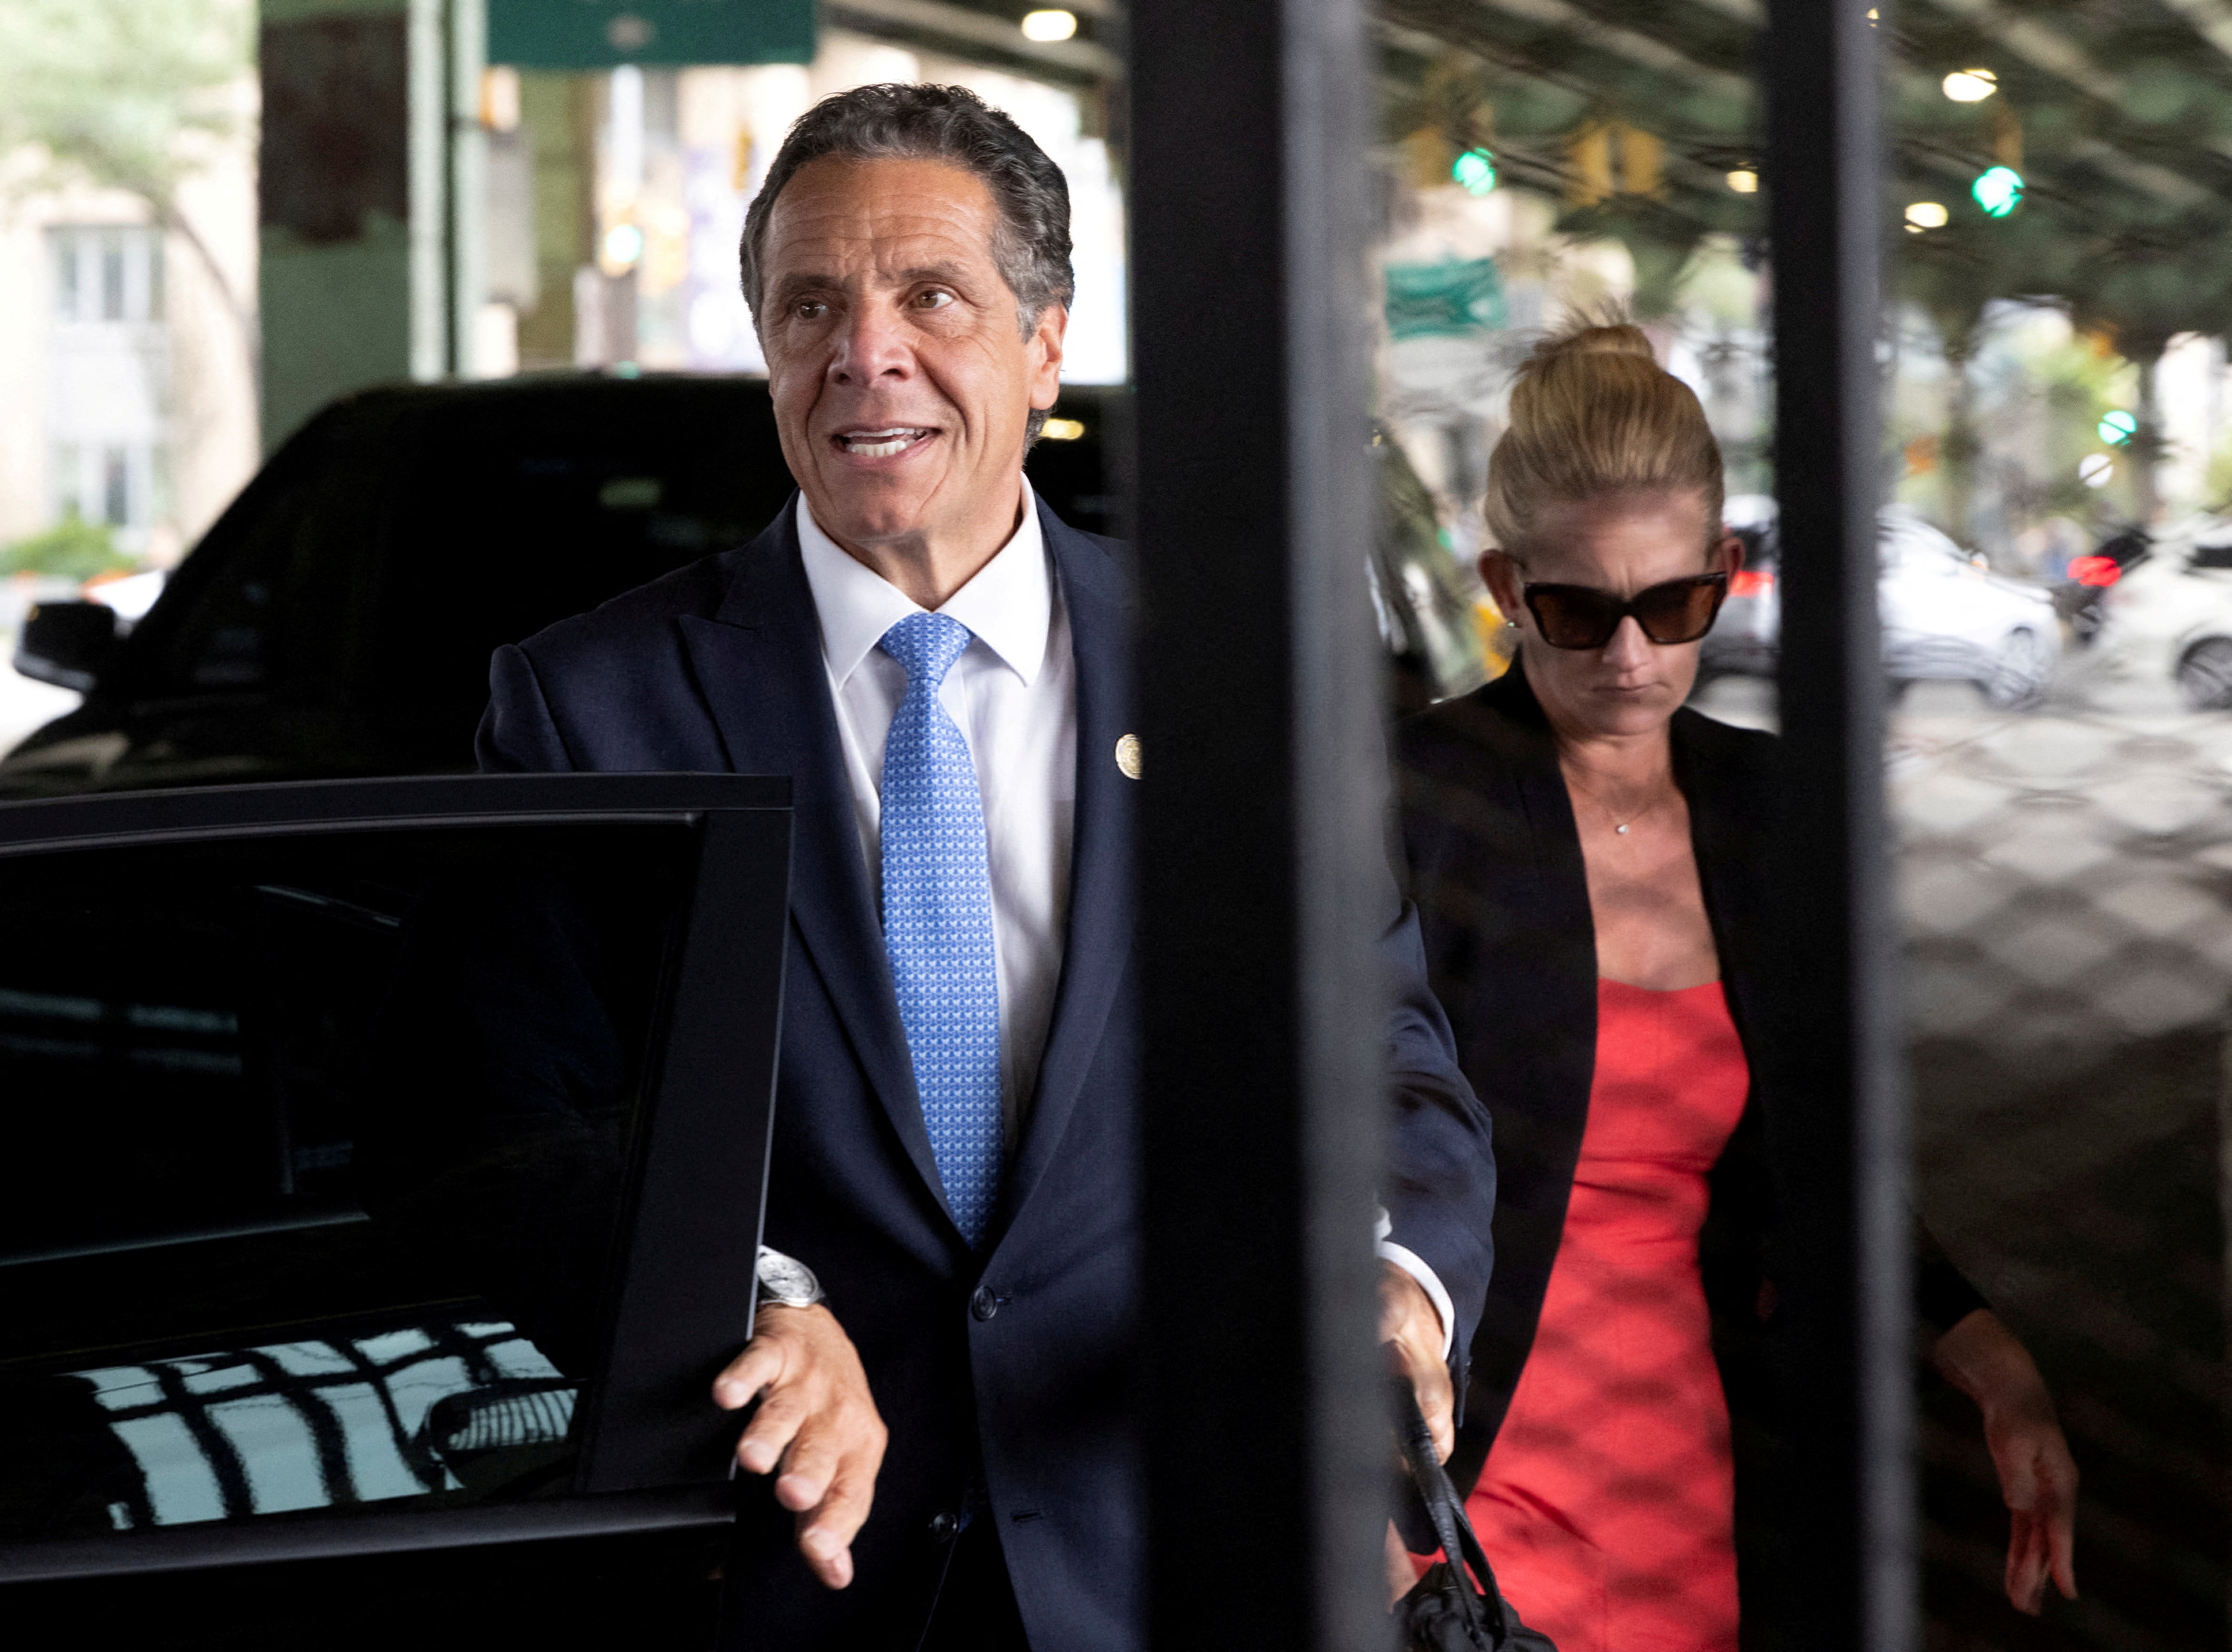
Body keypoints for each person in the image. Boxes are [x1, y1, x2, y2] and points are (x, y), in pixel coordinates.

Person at [476, 83, 1497, 1652]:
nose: (863, 351)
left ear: (1042, 345)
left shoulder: (1234, 673)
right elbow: (498, 1126)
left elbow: (1382, 1059)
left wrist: (1397, 1287)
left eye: (930, 297)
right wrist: (745, 1295)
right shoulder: (591, 706)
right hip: (795, 1577)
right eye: (810, 303)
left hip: (1172, 1554)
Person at [1389, 321, 2079, 1649]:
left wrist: (1997, 1372)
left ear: (1724, 574)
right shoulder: (1415, 803)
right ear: (1504, 584)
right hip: (1457, 1467)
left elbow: (1813, 1168)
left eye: (1674, 607)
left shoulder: (1765, 814)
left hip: (1687, 1458)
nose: (1632, 656)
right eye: (1580, 611)